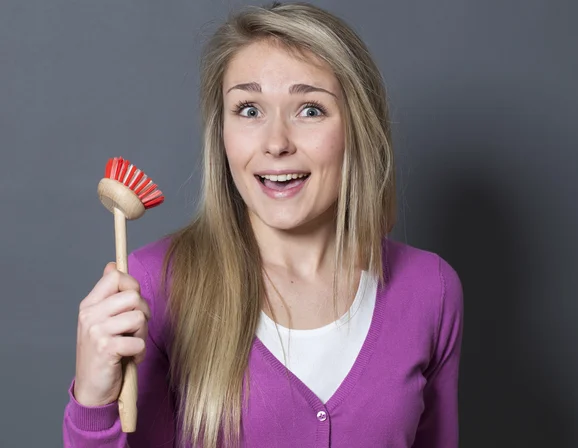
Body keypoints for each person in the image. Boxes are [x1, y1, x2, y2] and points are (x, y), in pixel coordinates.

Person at [62, 2, 464, 447]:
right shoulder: (154, 285)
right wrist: (94, 404)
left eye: (310, 109)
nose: (276, 144)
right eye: (249, 109)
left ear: (358, 128)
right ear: (223, 134)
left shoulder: (431, 289)